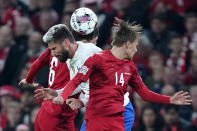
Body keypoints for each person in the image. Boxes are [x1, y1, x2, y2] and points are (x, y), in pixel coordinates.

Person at [52, 18, 192, 131]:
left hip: (117, 120)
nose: (136, 49)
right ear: (127, 44)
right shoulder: (97, 59)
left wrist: (170, 100)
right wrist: (62, 96)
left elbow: (145, 94)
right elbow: (76, 80)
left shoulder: (130, 67)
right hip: (96, 119)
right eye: (135, 45)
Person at [19, 23, 101, 131]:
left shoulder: (56, 50)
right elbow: (79, 82)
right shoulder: (73, 55)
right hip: (56, 113)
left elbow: (38, 63)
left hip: (52, 111)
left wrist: (29, 79)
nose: (53, 53)